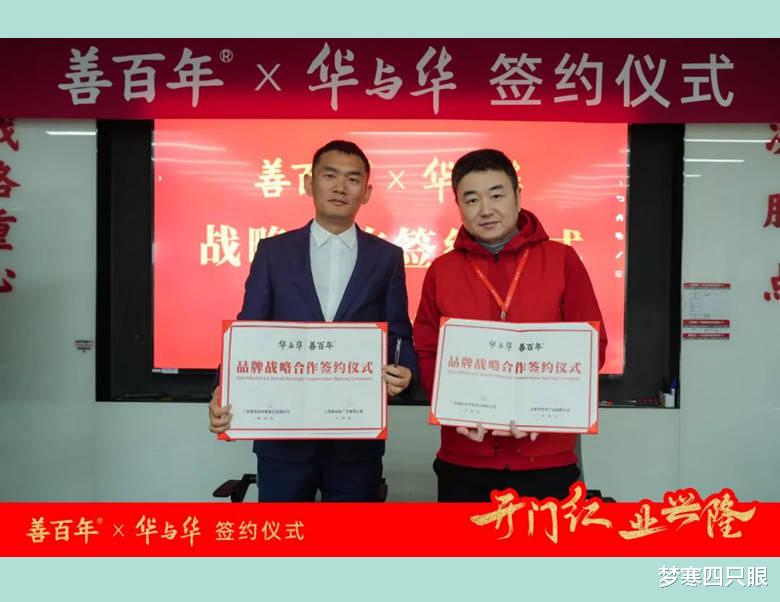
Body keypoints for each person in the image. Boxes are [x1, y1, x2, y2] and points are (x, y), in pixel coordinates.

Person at [209, 140, 417, 502]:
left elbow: (399, 334)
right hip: (283, 438)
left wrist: (406, 371)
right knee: (284, 535)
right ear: (309, 183)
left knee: (352, 536)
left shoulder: (387, 257)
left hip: (356, 438)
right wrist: (222, 387)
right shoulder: (273, 252)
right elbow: (249, 330)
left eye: (353, 179)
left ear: (366, 193)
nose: (340, 187)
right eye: (330, 176)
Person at [413, 148, 607, 502]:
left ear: (518, 196)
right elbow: (426, 349)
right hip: (464, 456)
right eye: (471, 199)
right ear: (458, 205)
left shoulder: (562, 260)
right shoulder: (442, 270)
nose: (485, 209)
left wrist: (544, 410)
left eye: (497, 195)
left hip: (545, 456)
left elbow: (592, 345)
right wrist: (454, 410)